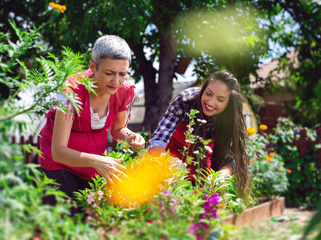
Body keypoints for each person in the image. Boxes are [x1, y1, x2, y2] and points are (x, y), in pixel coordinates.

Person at [38, 35, 145, 206]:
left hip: (94, 168)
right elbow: (58, 151)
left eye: (122, 74)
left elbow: (118, 129)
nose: (116, 81)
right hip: (59, 166)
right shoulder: (70, 90)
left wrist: (131, 136)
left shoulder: (123, 92)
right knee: (66, 219)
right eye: (109, 73)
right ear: (93, 67)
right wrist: (94, 160)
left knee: (91, 221)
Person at [148, 70, 250, 200]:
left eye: (220, 99)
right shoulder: (186, 101)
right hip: (168, 161)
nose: (211, 103)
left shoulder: (229, 117)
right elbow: (158, 141)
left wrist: (220, 177)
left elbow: (231, 157)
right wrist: (170, 164)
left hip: (201, 168)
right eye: (208, 94)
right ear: (204, 89)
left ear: (229, 103)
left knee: (200, 207)